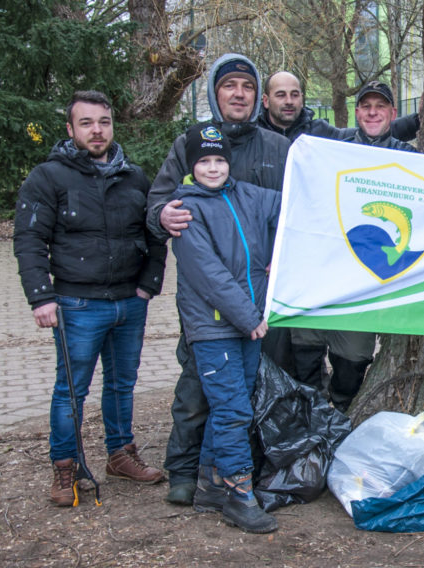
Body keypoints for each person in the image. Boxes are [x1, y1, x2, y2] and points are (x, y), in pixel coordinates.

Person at [148, 53, 291, 506]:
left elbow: (296, 207)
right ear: (215, 92)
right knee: (197, 385)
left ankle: (242, 465)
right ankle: (184, 469)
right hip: (208, 297)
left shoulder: (278, 148)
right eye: (229, 85)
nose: (238, 94)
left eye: (247, 87)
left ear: (258, 96)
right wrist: (160, 214)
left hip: (262, 294)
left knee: (252, 383)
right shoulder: (188, 143)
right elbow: (159, 201)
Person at [13, 90, 167, 506]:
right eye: (86, 123)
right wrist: (40, 297)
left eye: (103, 121)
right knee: (71, 391)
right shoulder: (48, 177)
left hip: (129, 302)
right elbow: (28, 239)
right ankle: (65, 469)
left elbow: (155, 233)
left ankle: (120, 453)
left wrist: (149, 283)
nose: (96, 130)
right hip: (76, 304)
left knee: (122, 384)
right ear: (70, 129)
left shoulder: (133, 176)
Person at [169, 124, 281, 533]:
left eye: (219, 160)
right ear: (191, 165)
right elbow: (210, 275)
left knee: (234, 405)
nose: (213, 168)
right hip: (217, 328)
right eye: (204, 161)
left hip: (249, 323)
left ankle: (211, 484)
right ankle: (240, 495)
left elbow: (293, 206)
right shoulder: (184, 209)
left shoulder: (247, 195)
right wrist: (250, 318)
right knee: (234, 410)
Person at [289, 80, 418, 411]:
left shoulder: (410, 157)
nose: (372, 112)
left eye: (380, 106)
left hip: (370, 276)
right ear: (357, 112)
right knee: (304, 345)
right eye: (366, 106)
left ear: (392, 113)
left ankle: (342, 405)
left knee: (355, 356)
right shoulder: (334, 147)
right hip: (324, 268)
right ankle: (311, 414)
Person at [259, 71, 419, 143]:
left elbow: (373, 131)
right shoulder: (255, 134)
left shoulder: (319, 132)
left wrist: (420, 119)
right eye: (281, 95)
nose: (289, 101)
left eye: (294, 95)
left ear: (301, 98)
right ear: (266, 100)